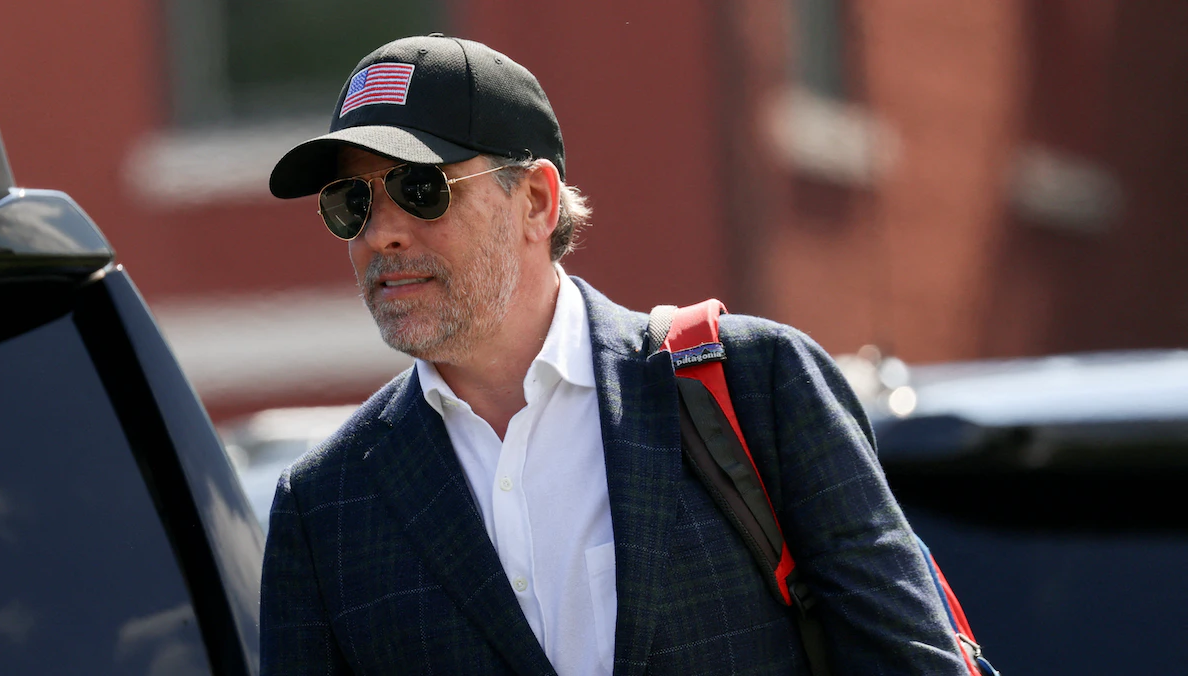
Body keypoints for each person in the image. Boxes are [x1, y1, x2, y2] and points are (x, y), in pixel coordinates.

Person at [260, 34, 969, 675]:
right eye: (351, 202)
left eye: (421, 189)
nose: (381, 234)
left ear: (536, 202)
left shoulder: (760, 384)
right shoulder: (322, 509)